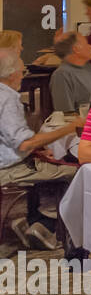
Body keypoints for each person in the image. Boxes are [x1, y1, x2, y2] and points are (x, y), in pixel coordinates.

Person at [0, 49, 80, 249]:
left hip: (9, 161)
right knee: (78, 172)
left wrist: (37, 151)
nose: (23, 76)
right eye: (22, 72)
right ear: (11, 74)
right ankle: (53, 228)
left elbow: (10, 140)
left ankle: (34, 221)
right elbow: (24, 143)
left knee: (47, 163)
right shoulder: (7, 98)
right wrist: (70, 128)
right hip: (8, 169)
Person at [49, 31, 91, 113]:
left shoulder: (89, 68)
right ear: (76, 49)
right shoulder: (61, 75)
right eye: (87, 44)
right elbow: (65, 113)